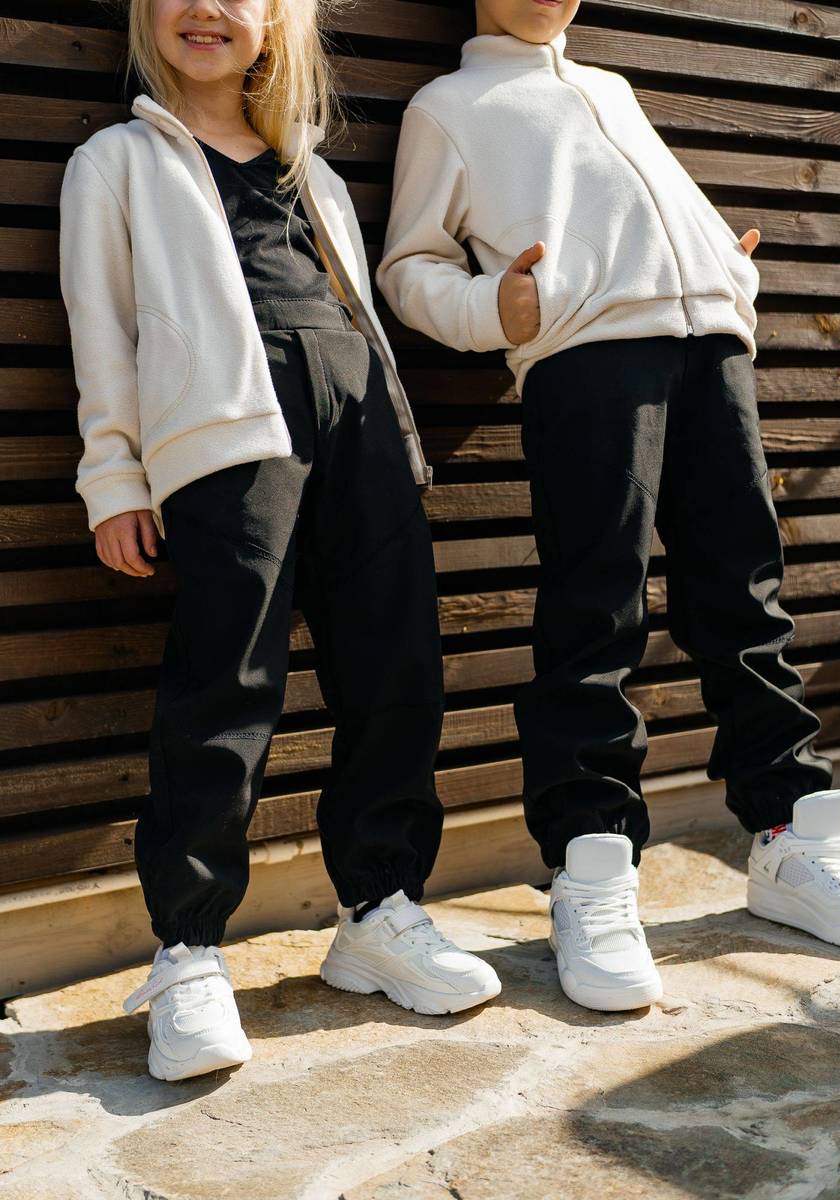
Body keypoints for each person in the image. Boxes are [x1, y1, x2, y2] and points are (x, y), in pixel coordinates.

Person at [376, 0, 840, 1013]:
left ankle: (791, 836)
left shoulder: (607, 87)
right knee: (596, 607)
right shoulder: (450, 105)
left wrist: (724, 269)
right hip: (585, 360)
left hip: (711, 350)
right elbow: (409, 266)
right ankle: (592, 863)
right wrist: (494, 308)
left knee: (744, 597)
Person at [59, 0, 501, 1083]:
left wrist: (396, 438)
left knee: (397, 672)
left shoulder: (316, 174)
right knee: (227, 682)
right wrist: (114, 477)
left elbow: (358, 319)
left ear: (277, 23)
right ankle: (189, 950)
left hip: (362, 431)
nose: (206, 9)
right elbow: (100, 326)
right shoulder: (118, 161)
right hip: (229, 435)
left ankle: (378, 909)